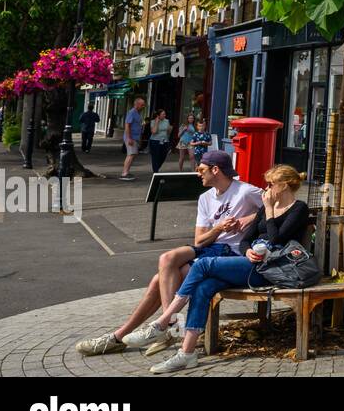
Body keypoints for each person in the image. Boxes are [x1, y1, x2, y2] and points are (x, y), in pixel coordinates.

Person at [73, 150, 262, 357]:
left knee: (157, 281)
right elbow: (199, 240)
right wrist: (218, 228)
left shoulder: (244, 191)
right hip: (210, 247)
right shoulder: (205, 198)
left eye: (201, 169)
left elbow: (279, 206)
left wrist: (247, 219)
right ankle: (169, 325)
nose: (198, 173)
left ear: (215, 170)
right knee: (166, 258)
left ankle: (119, 337)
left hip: (231, 254)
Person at [147, 164, 310, 373]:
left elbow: (277, 238)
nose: (267, 189)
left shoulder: (298, 208)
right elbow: (246, 239)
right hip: (252, 262)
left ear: (285, 186)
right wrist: (248, 250)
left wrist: (269, 210)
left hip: (273, 270)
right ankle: (186, 354)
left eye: (271, 184)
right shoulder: (264, 208)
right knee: (204, 286)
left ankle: (164, 320)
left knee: (204, 264)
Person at [120, 97, 145, 181]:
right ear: (137, 104)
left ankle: (126, 171)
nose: (143, 106)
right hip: (131, 137)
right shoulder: (132, 112)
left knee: (133, 155)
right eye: (142, 105)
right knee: (130, 154)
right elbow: (127, 125)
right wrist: (129, 138)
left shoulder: (138, 113)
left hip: (136, 137)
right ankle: (124, 173)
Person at [148, 108, 172, 174]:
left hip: (165, 141)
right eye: (163, 114)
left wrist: (170, 129)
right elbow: (154, 131)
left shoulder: (167, 121)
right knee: (155, 157)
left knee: (163, 156)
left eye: (165, 114)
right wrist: (157, 122)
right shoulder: (153, 121)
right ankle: (155, 171)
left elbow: (169, 132)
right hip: (155, 141)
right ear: (158, 115)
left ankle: (156, 168)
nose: (165, 115)